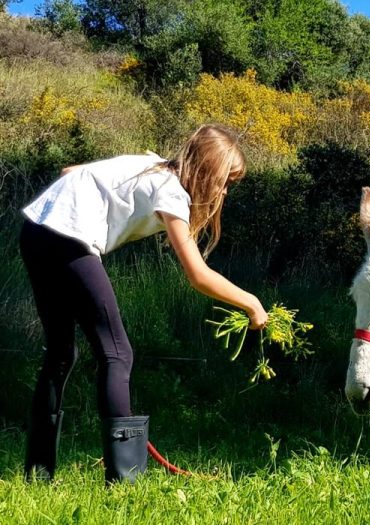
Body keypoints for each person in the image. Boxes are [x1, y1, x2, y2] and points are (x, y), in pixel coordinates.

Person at [19, 124, 268, 484]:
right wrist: (251, 303)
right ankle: (124, 482)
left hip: (36, 229)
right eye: (225, 181)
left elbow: (70, 172)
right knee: (118, 354)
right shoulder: (171, 193)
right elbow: (198, 274)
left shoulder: (149, 165)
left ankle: (38, 474)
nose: (226, 190)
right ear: (208, 170)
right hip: (69, 240)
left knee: (61, 352)